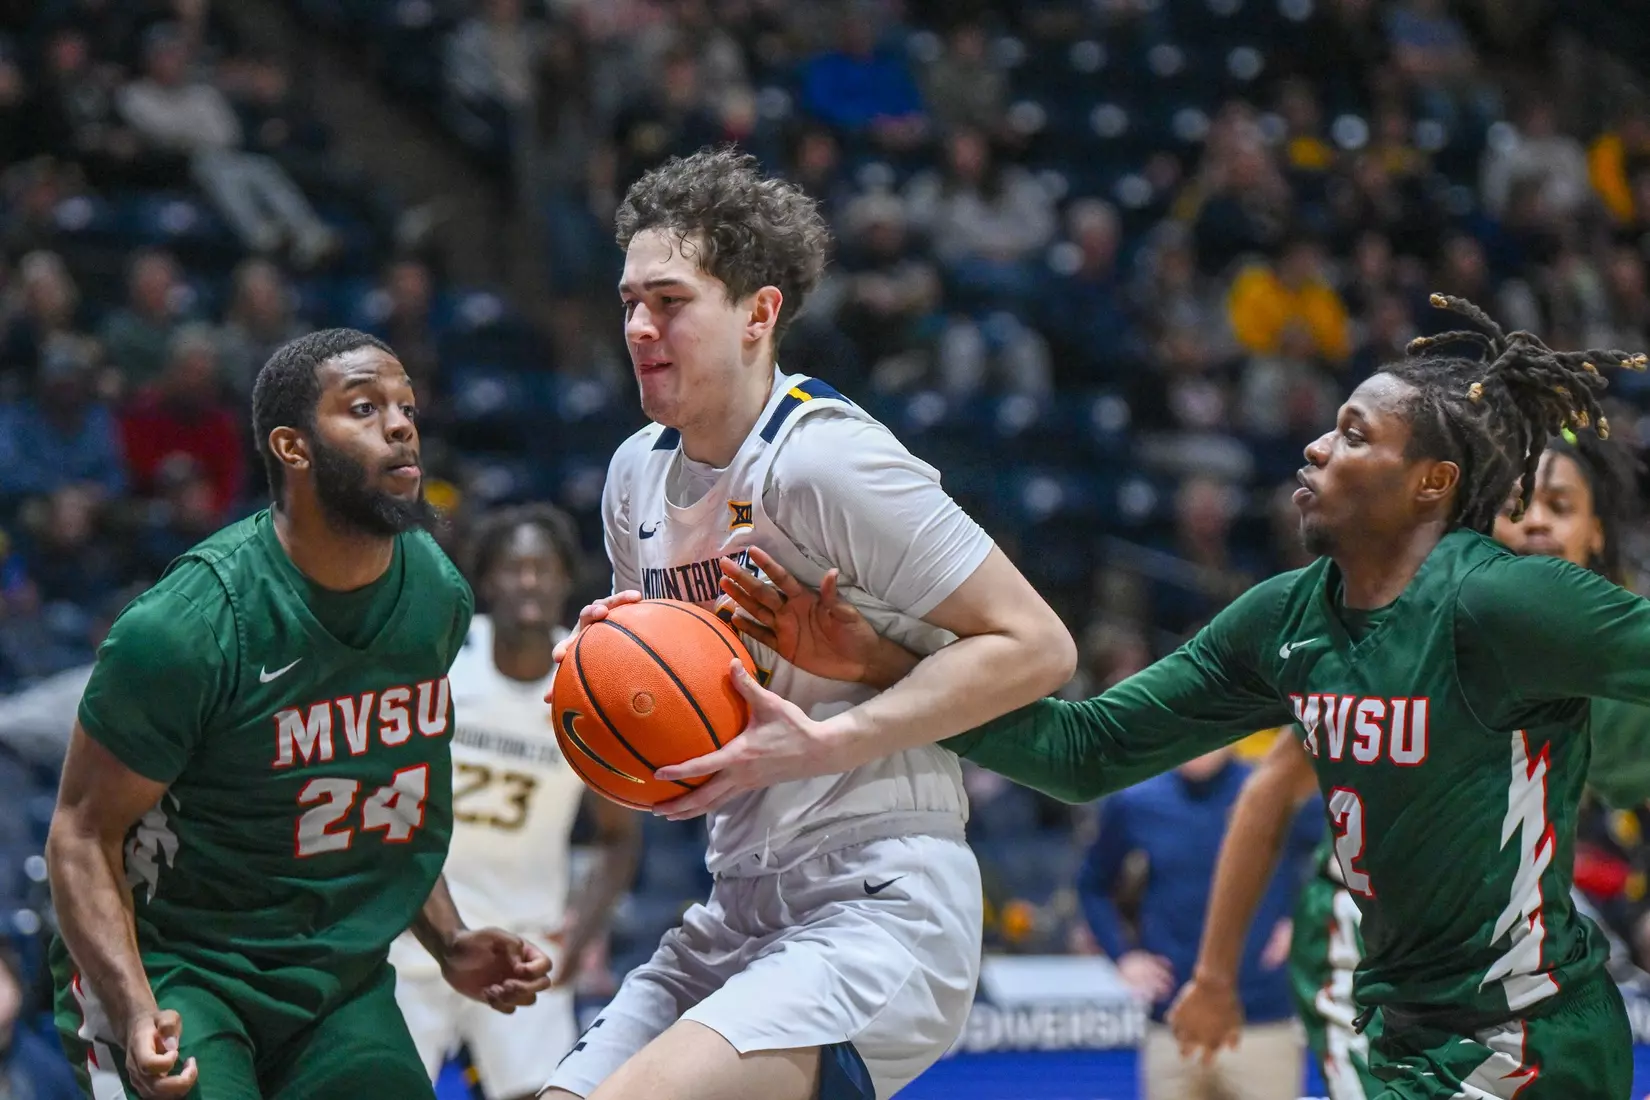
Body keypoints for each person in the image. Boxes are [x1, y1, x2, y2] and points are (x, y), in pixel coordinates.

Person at [713, 295, 1650, 1098]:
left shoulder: (1501, 599)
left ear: (1431, 485)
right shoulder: (1285, 620)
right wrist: (882, 658)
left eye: (1356, 436)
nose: (1318, 446)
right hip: (1403, 1028)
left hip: (1527, 1036)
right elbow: (1087, 754)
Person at [539, 147, 1075, 1100]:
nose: (637, 326)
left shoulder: (827, 464)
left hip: (882, 899)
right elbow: (678, 707)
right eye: (628, 301)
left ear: (758, 312)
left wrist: (827, 742)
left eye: (669, 302)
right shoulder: (632, 476)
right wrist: (602, 693)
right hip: (739, 900)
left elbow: (1037, 648)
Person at [45, 329, 551, 1100]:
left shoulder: (436, 594)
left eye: (406, 407)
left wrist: (448, 940)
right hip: (181, 967)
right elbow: (80, 835)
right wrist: (133, 1002)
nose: (401, 424)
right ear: (294, 447)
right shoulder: (187, 627)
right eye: (364, 407)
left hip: (336, 979)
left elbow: (389, 804)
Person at [1165, 426, 1649, 1099]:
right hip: (1366, 929)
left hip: (1502, 960)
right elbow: (1269, 791)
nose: (1535, 521)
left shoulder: (1613, 652)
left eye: (1559, 506)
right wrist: (1215, 977)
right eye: (1516, 508)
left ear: (1599, 535)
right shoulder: (1429, 635)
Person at [391, 503, 642, 1100]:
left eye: (543, 568)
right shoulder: (442, 660)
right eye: (512, 568)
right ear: (485, 580)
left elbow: (619, 835)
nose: (528, 580)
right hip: (413, 940)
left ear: (565, 579)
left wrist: (577, 942)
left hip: (524, 946)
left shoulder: (590, 680)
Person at [1079, 746, 1321, 1100]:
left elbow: (1343, 849)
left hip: (1262, 1023)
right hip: (1173, 1028)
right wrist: (1124, 957)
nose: (1201, 745)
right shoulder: (1137, 801)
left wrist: (1303, 920)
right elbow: (1093, 883)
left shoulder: (1271, 790)